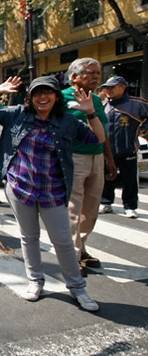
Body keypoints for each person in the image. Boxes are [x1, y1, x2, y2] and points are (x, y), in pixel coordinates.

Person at [0, 76, 105, 312]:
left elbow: (98, 138)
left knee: (63, 241)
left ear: (56, 96)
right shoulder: (16, 113)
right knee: (29, 237)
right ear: (30, 97)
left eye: (47, 92)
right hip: (20, 188)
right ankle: (36, 281)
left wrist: (91, 113)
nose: (42, 97)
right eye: (37, 93)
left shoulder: (67, 121)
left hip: (53, 190)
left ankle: (77, 287)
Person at [62, 58, 115, 273]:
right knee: (73, 208)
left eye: (97, 72)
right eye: (89, 72)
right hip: (74, 158)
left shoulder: (95, 98)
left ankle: (81, 246)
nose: (95, 76)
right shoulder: (62, 99)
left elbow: (103, 131)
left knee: (91, 209)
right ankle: (72, 256)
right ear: (74, 77)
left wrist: (109, 159)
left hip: (96, 159)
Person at [98, 76, 148, 218]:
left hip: (128, 149)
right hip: (108, 151)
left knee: (129, 180)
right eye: (106, 87)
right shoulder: (103, 105)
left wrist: (142, 130)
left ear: (122, 87)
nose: (108, 90)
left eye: (112, 87)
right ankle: (106, 202)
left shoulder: (136, 104)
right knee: (107, 177)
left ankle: (130, 206)